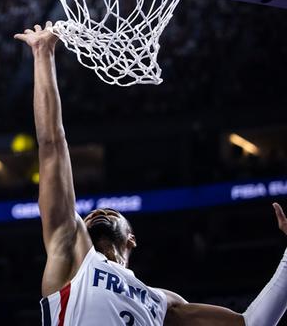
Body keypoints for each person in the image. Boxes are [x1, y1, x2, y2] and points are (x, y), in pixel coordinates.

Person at [15, 23, 287, 326]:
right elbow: (52, 145)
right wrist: (43, 54)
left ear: (131, 240)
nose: (101, 211)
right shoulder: (69, 252)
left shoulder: (163, 302)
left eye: (111, 213)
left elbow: (251, 324)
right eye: (92, 214)